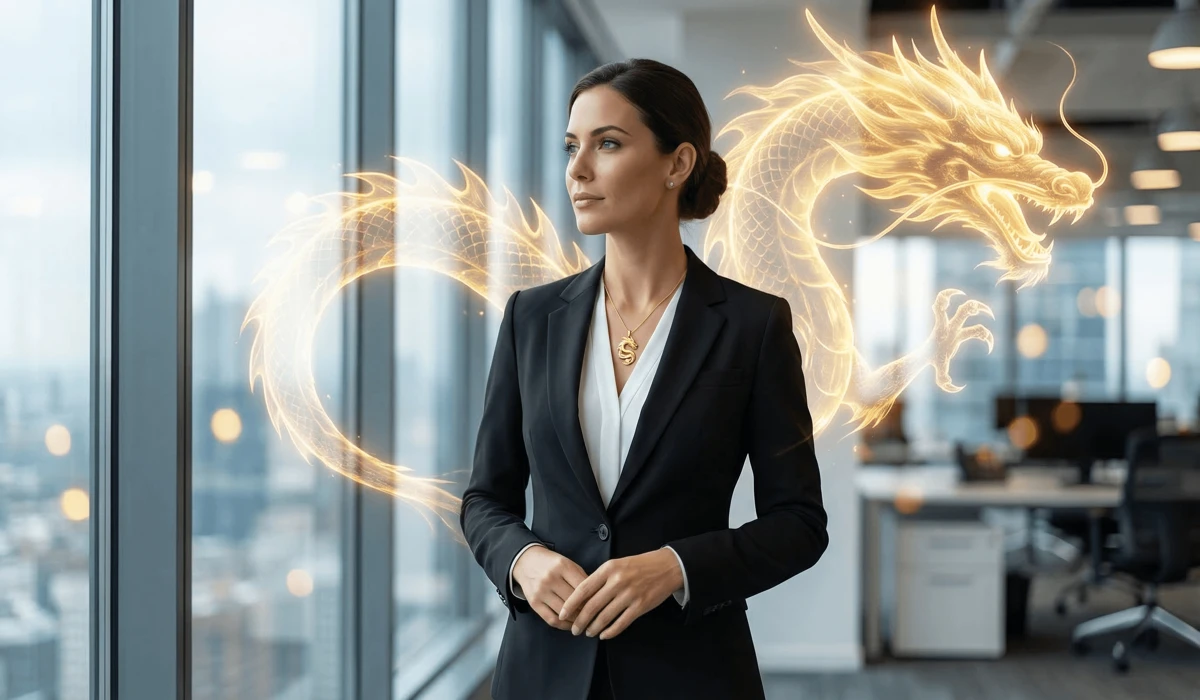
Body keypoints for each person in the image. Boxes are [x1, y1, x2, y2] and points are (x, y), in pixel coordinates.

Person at [460, 58, 828, 700]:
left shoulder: (753, 325)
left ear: (677, 164)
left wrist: (675, 567)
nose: (577, 170)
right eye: (571, 147)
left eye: (607, 144)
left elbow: (798, 522)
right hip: (543, 671)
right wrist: (523, 559)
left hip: (691, 672)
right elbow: (484, 500)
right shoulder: (530, 318)